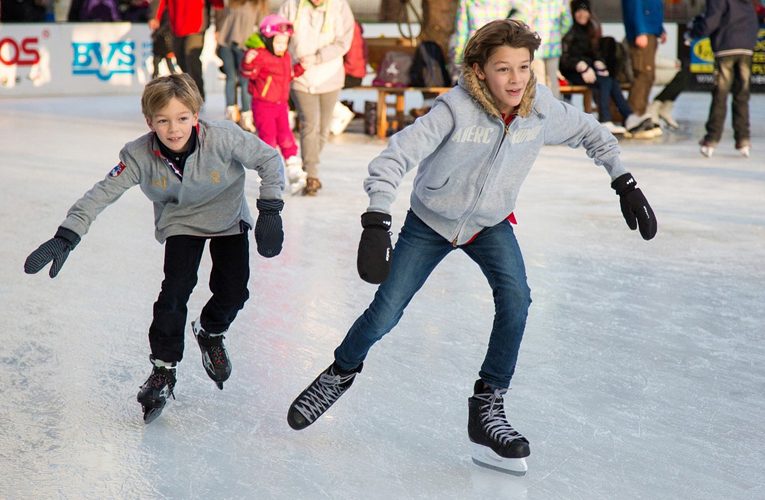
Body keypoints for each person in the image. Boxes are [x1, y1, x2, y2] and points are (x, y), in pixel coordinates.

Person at [285, 19, 657, 476]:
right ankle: (340, 371)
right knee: (385, 312)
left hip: (490, 223)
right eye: (503, 69)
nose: (516, 79)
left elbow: (592, 133)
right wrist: (377, 219)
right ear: (480, 71)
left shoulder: (539, 109)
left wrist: (624, 181)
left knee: (516, 300)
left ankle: (488, 404)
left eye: (523, 67)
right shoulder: (454, 109)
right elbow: (394, 156)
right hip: (430, 222)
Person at [23, 74, 285, 424]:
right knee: (174, 292)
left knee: (234, 291)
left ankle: (210, 331)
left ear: (196, 115)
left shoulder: (223, 137)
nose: (174, 129)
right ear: (150, 122)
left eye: (182, 118)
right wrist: (68, 234)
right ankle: (163, 368)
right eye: (163, 121)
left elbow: (269, 160)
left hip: (227, 217)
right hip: (180, 221)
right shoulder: (138, 155)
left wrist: (270, 207)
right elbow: (102, 193)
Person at [278, 0, 355, 196]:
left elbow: (344, 41)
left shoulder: (339, 6)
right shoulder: (291, 5)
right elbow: (279, 33)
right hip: (300, 75)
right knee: (309, 124)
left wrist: (318, 57)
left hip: (330, 74)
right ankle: (311, 175)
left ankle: (308, 165)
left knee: (323, 128)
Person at [560, 0, 652, 135]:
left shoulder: (591, 29)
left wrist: (599, 62)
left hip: (589, 70)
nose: (582, 14)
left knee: (611, 80)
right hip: (572, 72)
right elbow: (564, 58)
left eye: (585, 11)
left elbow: (594, 53)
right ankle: (604, 119)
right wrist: (580, 66)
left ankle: (629, 117)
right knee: (604, 82)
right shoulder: (570, 31)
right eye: (578, 11)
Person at [241, 14, 308, 195]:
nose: (281, 47)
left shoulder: (285, 57)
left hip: (281, 105)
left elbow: (287, 76)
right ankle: (269, 174)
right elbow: (248, 73)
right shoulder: (260, 56)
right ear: (268, 40)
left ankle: (294, 169)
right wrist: (248, 62)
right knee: (268, 138)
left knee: (286, 137)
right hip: (263, 105)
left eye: (285, 43)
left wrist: (299, 68)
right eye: (278, 42)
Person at [690, 0, 759, 158]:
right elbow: (753, 20)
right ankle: (743, 138)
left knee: (720, 94)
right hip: (745, 48)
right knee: (742, 94)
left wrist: (694, 31)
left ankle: (712, 139)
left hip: (726, 45)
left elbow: (711, 20)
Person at [217, 0, 268, 133]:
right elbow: (224, 21)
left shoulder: (258, 4)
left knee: (244, 81)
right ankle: (232, 115)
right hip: (227, 44)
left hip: (244, 46)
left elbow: (262, 26)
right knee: (231, 79)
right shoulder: (234, 2)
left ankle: (245, 115)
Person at [509, 0, 572, 99]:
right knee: (552, 80)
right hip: (553, 45)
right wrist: (558, 35)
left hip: (536, 45)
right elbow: (567, 22)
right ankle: (554, 107)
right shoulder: (561, 2)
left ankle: (540, 106)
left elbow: (524, 18)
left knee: (539, 80)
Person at [621, 0, 666, 137]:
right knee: (643, 74)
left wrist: (660, 28)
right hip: (643, 32)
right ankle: (634, 117)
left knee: (649, 75)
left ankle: (641, 114)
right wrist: (640, 31)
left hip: (651, 30)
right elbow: (634, 5)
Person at [149, 0, 208, 101]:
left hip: (197, 25)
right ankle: (190, 91)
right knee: (181, 60)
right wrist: (154, 16)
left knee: (191, 58)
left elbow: (218, 4)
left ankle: (197, 95)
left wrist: (219, 24)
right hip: (177, 26)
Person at [343, 20, 367, 88]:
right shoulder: (355, 32)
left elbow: (352, 61)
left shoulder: (353, 34)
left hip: (352, 76)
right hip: (353, 75)